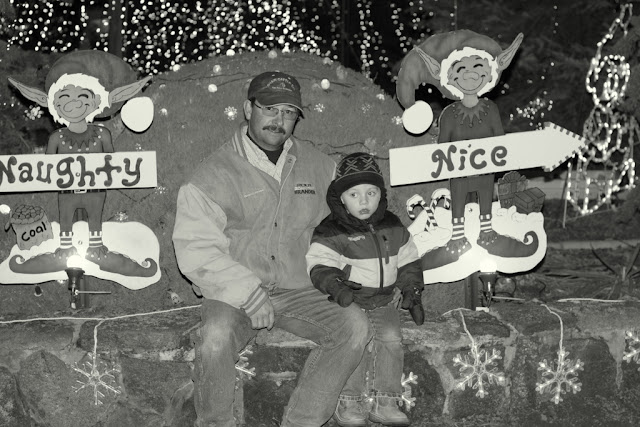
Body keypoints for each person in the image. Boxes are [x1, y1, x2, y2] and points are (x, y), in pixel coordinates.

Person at [172, 71, 373, 427]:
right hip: (236, 294)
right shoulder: (212, 175)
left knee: (355, 326)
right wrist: (248, 293)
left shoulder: (322, 167)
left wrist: (366, 270)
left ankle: (302, 421)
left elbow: (345, 229)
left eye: (289, 112)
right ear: (248, 109)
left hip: (303, 290)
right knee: (215, 338)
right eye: (270, 109)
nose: (279, 120)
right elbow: (196, 247)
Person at [306, 152, 425, 426]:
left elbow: (409, 259)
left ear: (380, 195)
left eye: (371, 193)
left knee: (391, 339)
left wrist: (412, 290)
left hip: (384, 300)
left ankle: (386, 401)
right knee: (356, 341)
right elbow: (319, 263)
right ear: (341, 198)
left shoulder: (393, 225)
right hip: (350, 302)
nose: (363, 201)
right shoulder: (331, 230)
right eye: (354, 194)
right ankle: (349, 402)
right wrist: (336, 286)